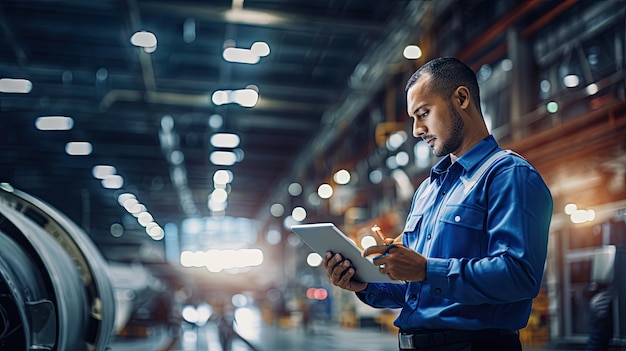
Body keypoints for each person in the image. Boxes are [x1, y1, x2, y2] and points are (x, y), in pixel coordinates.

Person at [323, 57, 553, 351]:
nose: (417, 130)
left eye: (423, 113)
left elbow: (520, 276)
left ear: (461, 98)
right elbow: (414, 287)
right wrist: (363, 283)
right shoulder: (427, 191)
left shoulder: (508, 175)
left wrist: (427, 270)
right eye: (413, 118)